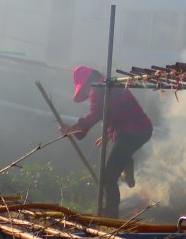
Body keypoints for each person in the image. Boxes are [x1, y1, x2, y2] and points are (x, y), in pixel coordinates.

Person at [60, 65, 152, 219]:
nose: (86, 93)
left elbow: (95, 114)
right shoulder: (110, 85)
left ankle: (111, 216)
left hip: (129, 133)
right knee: (119, 157)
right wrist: (108, 135)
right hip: (142, 130)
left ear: (88, 82)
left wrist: (73, 128)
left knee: (108, 175)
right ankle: (127, 164)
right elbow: (118, 113)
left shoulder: (98, 88)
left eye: (83, 89)